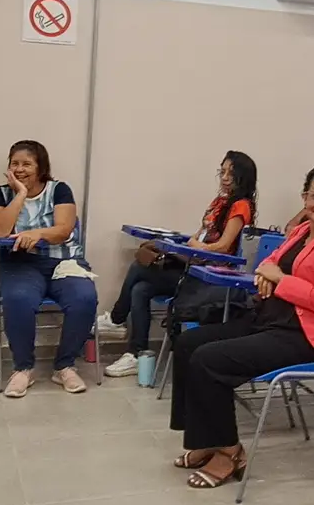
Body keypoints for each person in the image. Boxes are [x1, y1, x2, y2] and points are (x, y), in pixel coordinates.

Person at [168, 166, 314, 489]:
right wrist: (267, 273)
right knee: (189, 344)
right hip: (269, 319)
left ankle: (229, 452)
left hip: (306, 336)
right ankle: (206, 440)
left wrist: (280, 280)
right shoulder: (302, 230)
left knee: (210, 360)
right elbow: (268, 263)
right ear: (305, 197)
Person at [100, 151, 257, 378]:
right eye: (222, 172)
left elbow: (223, 247)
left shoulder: (241, 206)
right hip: (194, 267)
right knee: (140, 289)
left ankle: (116, 320)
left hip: (210, 279)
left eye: (231, 173)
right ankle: (136, 355)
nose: (224, 178)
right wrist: (188, 244)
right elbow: (199, 236)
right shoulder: (219, 202)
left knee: (139, 268)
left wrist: (196, 246)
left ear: (243, 177)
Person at [0, 140, 98, 398]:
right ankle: (23, 369)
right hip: (20, 264)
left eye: (27, 164)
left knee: (84, 297)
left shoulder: (59, 190)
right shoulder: (1, 194)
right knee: (18, 299)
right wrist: (20, 195)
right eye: (15, 164)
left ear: (41, 167)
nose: (20, 169)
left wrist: (36, 234)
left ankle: (65, 366)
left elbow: (63, 230)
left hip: (63, 262)